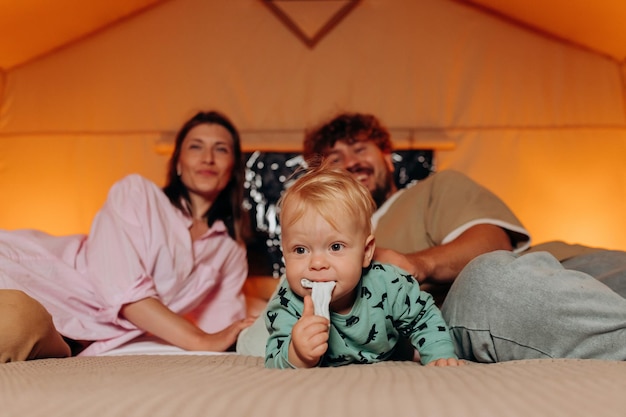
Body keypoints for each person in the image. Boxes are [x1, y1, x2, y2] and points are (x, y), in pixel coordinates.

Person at [237, 112, 626, 362]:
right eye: (334, 158)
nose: (350, 161)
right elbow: (271, 334)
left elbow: (493, 240)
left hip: (564, 263)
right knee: (491, 282)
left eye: (360, 149)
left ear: (388, 156)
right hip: (470, 299)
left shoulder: (435, 188)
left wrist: (414, 263)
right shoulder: (314, 258)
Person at [0, 110, 256, 362]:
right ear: (178, 162)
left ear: (233, 168)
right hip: (34, 280)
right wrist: (199, 340)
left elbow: (222, 327)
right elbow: (123, 291)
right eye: (196, 147)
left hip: (69, 336)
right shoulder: (136, 193)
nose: (208, 158)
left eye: (221, 149)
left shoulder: (230, 250)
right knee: (14, 321)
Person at [264, 167, 462, 368]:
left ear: (366, 252)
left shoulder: (390, 283)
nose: (316, 264)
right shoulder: (287, 302)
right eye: (300, 250)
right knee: (252, 341)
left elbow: (423, 316)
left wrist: (439, 354)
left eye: (335, 247)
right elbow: (273, 361)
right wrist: (297, 353)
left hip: (390, 347)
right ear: (284, 253)